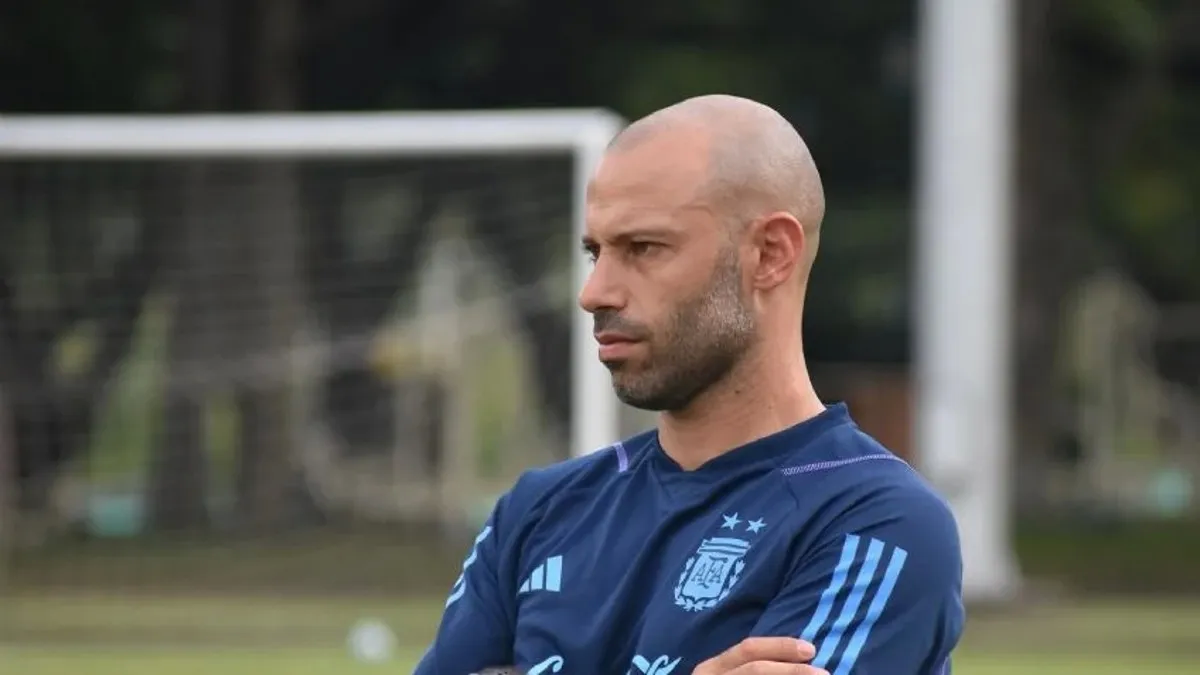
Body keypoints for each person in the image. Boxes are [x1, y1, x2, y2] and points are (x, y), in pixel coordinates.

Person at [414, 95, 964, 675]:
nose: (594, 292)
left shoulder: (876, 522)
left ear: (770, 254)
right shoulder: (538, 511)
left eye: (643, 248)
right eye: (596, 252)